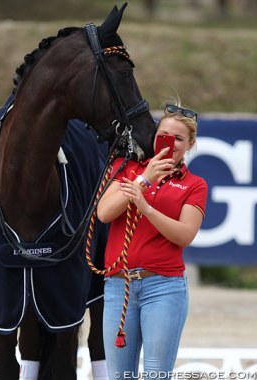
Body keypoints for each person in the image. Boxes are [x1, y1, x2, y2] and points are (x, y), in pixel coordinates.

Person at [96, 102, 207, 378]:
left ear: (190, 144)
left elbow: (185, 234)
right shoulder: (128, 168)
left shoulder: (194, 184)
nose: (169, 142)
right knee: (119, 375)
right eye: (163, 135)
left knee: (157, 373)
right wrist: (145, 179)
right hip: (118, 286)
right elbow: (104, 213)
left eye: (178, 138)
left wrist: (146, 208)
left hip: (163, 287)